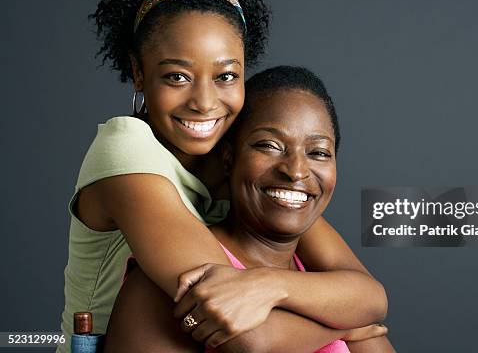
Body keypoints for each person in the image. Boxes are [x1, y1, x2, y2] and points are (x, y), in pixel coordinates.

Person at [59, 0, 387, 352]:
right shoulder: (125, 153)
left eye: (226, 76)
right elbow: (243, 331)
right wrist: (344, 327)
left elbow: (368, 296)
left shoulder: (242, 164)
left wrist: (271, 285)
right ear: (140, 73)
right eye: (177, 76)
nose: (204, 101)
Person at [104, 66, 395, 352]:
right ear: (229, 157)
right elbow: (253, 342)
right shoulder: (171, 285)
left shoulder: (333, 292)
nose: (296, 172)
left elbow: (374, 299)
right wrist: (344, 326)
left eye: (318, 153)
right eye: (269, 145)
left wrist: (270, 285)